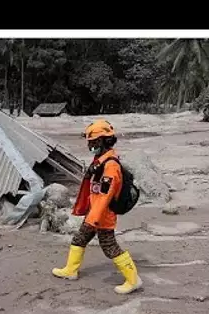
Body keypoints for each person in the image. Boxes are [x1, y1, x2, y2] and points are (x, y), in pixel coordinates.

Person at [51, 119, 143, 295]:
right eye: (89, 142)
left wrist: (92, 219)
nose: (90, 145)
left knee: (110, 247)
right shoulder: (100, 161)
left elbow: (104, 197)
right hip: (95, 213)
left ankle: (133, 280)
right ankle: (70, 270)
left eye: (92, 142)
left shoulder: (110, 166)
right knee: (79, 239)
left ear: (102, 141)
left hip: (102, 216)